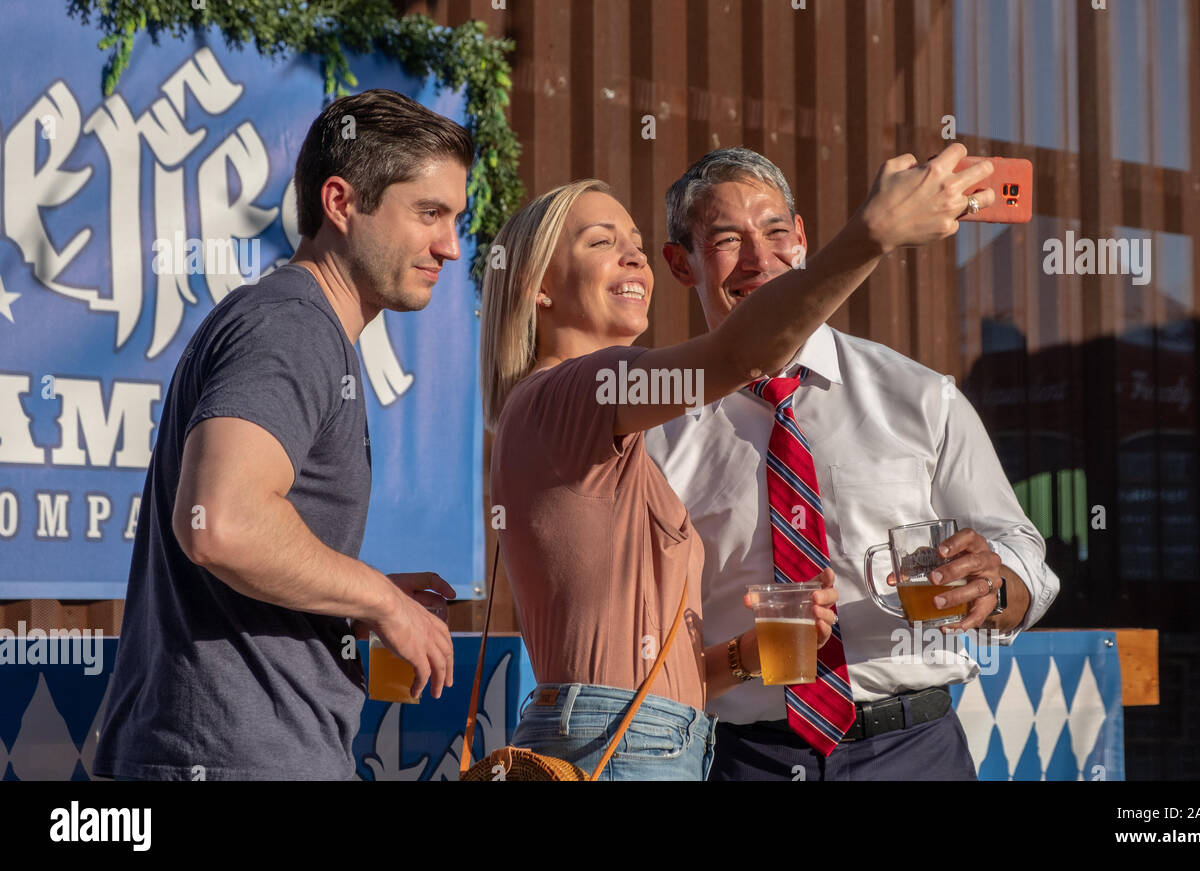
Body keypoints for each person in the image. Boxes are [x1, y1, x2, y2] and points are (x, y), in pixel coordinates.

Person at [480, 145, 996, 780]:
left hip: (667, 733)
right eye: (600, 241)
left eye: (636, 241)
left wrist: (751, 656)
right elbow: (744, 355)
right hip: (623, 745)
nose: (633, 255)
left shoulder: (599, 419)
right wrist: (873, 235)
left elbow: (655, 665)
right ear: (537, 289)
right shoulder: (584, 390)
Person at [645, 145, 1063, 780]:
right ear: (682, 264)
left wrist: (996, 581)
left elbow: (1021, 549)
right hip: (744, 757)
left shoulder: (921, 397)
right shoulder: (657, 429)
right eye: (727, 238)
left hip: (914, 751)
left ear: (804, 239)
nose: (761, 258)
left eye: (776, 230)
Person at [93, 89, 469, 781]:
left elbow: (235, 541)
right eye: (429, 213)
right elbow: (222, 523)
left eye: (455, 219)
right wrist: (381, 600)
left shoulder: (295, 323)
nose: (449, 244)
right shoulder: (293, 326)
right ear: (340, 202)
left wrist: (358, 595)